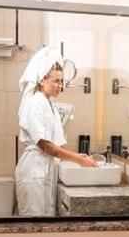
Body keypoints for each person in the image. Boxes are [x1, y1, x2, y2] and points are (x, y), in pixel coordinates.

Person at [16, 46, 97, 216]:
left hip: (44, 170)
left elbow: (60, 144)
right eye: (56, 81)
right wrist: (77, 160)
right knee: (34, 224)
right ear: (42, 80)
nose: (61, 86)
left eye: (62, 81)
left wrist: (79, 157)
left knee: (45, 223)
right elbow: (45, 145)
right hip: (34, 170)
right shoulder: (35, 103)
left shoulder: (50, 106)